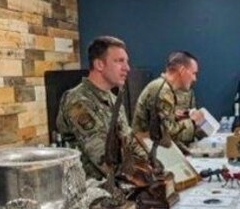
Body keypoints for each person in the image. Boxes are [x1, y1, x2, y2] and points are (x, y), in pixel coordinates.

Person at [57, 36, 146, 179]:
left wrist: (153, 164)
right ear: (99, 64)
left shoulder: (113, 99)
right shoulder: (77, 101)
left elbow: (128, 141)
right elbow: (103, 158)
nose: (127, 68)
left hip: (120, 185)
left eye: (127, 62)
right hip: (93, 191)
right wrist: (143, 176)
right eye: (119, 61)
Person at [133, 51, 204, 150]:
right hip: (147, 155)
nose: (194, 78)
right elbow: (165, 135)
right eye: (193, 73)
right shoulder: (163, 90)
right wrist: (192, 121)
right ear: (182, 70)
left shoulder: (166, 88)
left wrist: (176, 117)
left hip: (154, 151)